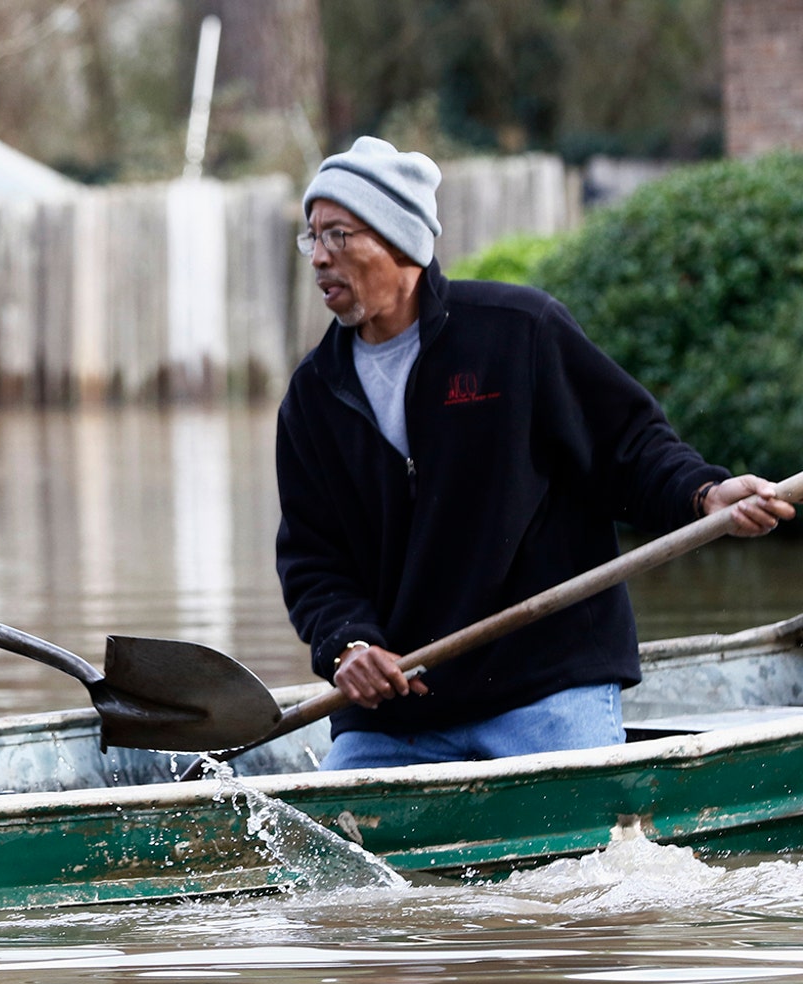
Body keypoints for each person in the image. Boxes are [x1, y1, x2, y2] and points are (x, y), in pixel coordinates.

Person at [275, 137, 794, 770]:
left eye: (338, 236)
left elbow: (627, 448)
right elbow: (312, 558)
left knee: (592, 865)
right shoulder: (313, 396)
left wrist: (705, 494)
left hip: (545, 687)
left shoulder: (517, 332)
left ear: (400, 240)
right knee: (327, 863)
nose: (319, 258)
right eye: (312, 238)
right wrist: (347, 647)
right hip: (400, 715)